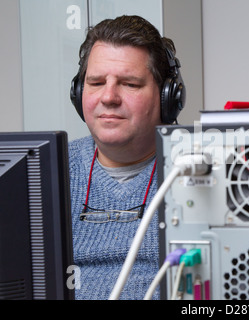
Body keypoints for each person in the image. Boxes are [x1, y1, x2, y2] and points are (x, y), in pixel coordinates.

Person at [68, 15, 185, 300]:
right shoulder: (46, 169)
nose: (109, 97)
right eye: (95, 82)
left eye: (129, 84)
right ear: (78, 93)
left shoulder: (202, 165)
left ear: (167, 97)